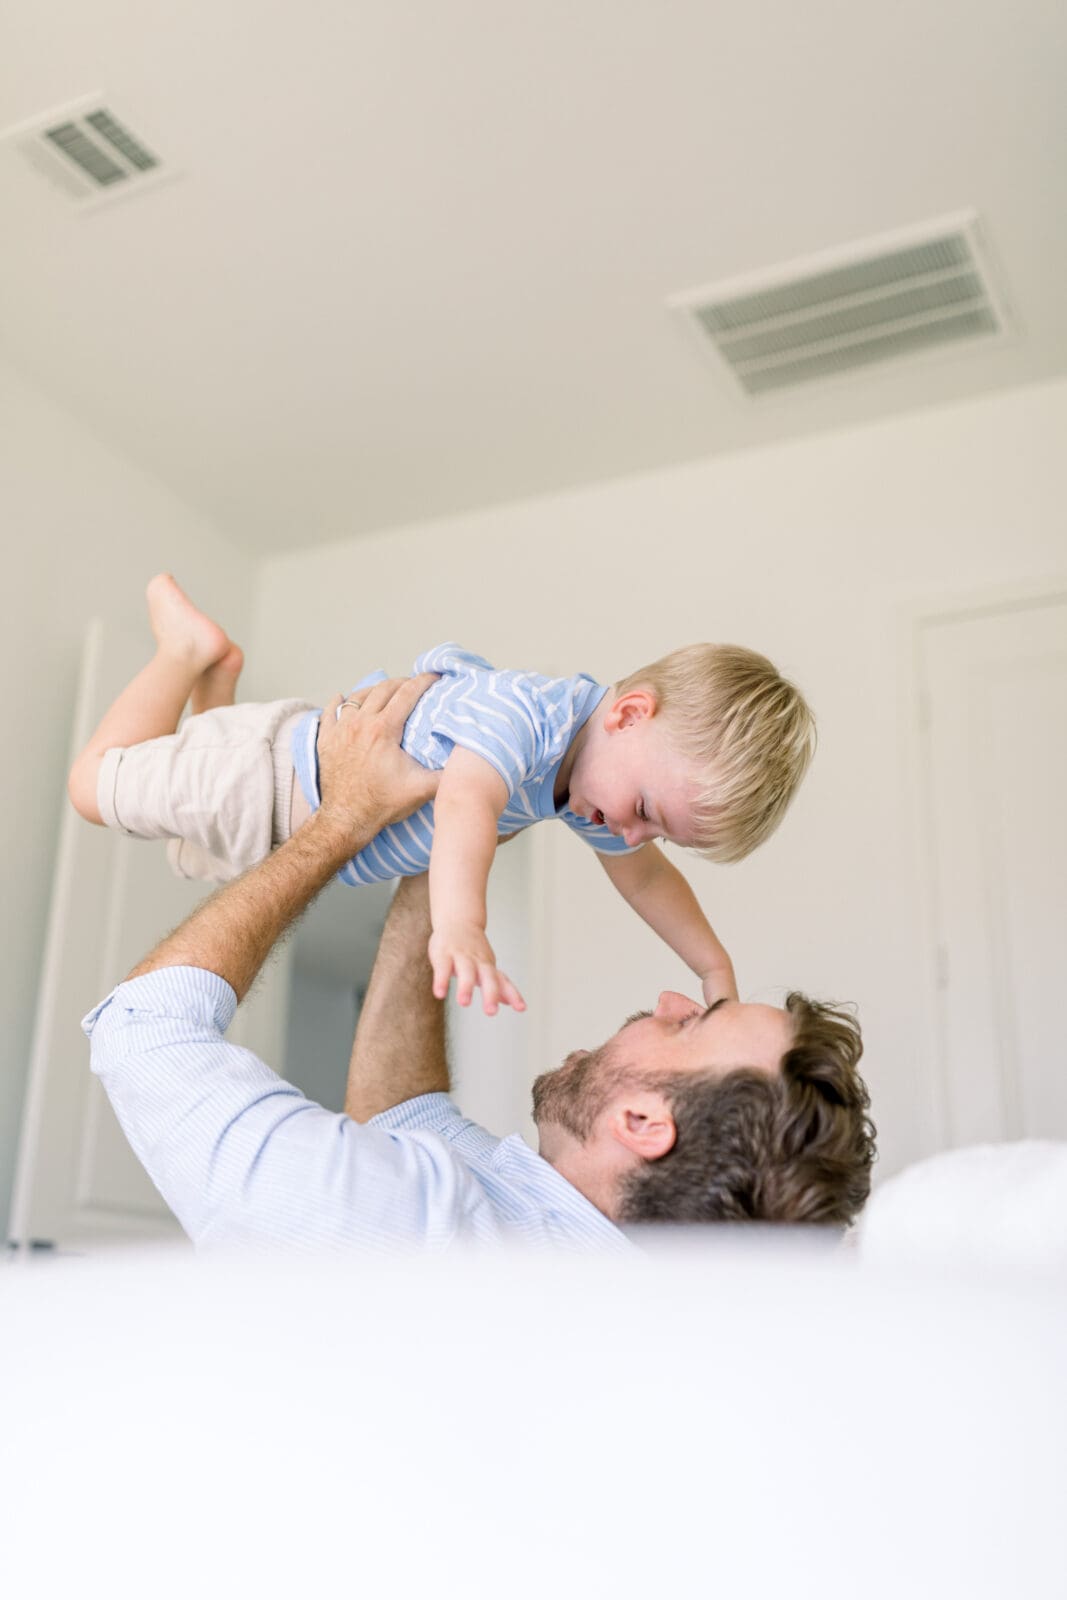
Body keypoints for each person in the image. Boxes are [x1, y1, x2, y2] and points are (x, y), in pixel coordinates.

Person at [82, 674, 876, 1252]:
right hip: (276, 770)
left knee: (101, 787)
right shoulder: (568, 1245)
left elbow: (145, 1031)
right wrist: (713, 964)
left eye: (690, 1025)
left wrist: (345, 821)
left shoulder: (403, 1237)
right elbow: (402, 1124)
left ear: (642, 1123)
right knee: (189, 832)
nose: (671, 1000)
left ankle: (190, 657)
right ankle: (209, 685)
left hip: (295, 788)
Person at [68, 575, 816, 1015]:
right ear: (627, 714)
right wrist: (461, 926)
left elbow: (648, 881)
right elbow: (466, 803)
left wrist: (713, 971)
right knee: (96, 789)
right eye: (648, 813)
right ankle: (185, 652)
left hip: (278, 821)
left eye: (659, 832)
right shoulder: (525, 713)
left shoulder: (586, 785)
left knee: (190, 853)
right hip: (267, 776)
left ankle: (217, 689)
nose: (632, 835)